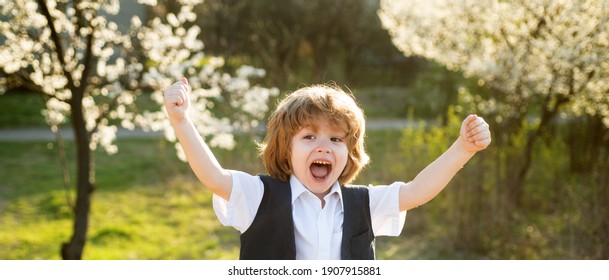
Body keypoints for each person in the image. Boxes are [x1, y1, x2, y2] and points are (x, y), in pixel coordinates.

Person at [163, 78, 491, 260]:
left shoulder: (363, 203)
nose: (324, 146)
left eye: (336, 138)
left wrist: (462, 148)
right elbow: (213, 176)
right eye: (309, 136)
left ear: (349, 153)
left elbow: (417, 191)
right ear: (286, 150)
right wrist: (181, 120)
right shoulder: (258, 196)